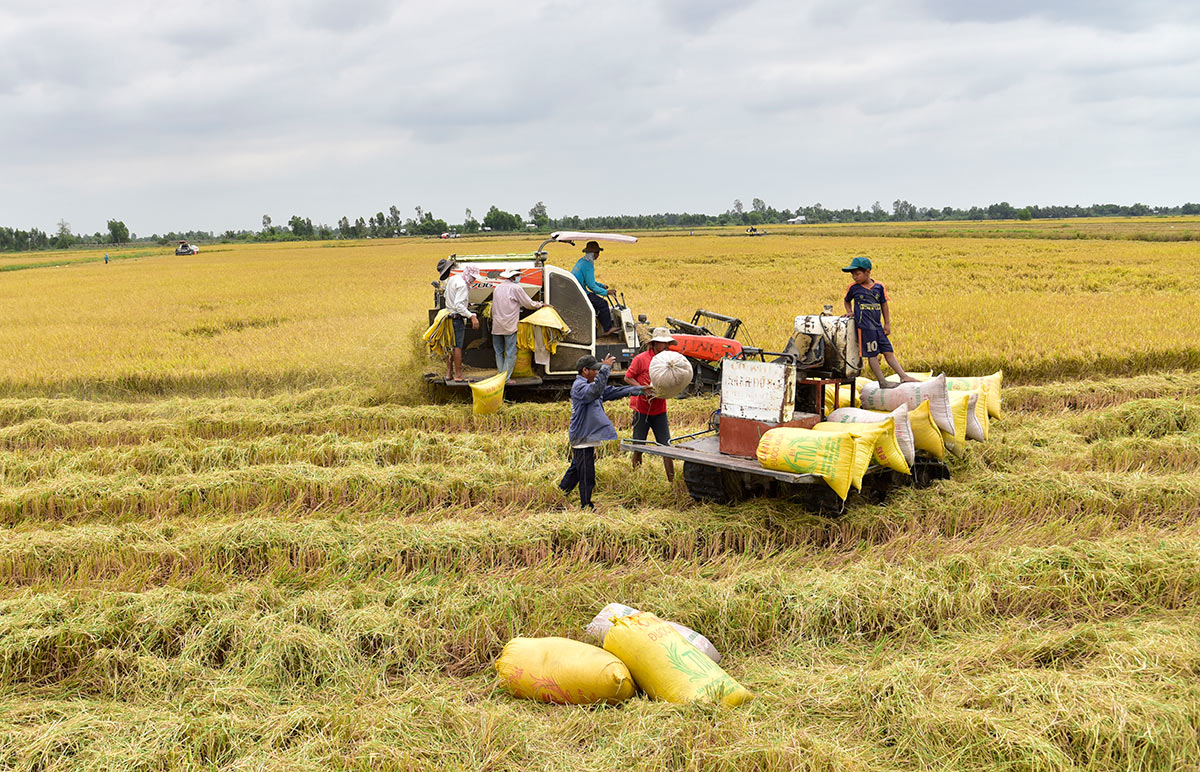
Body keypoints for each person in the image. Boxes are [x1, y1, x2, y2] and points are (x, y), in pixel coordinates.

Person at [559, 354, 651, 510]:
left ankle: (560, 494)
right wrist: (606, 368)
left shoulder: (591, 384)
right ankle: (586, 506)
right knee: (587, 473)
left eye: (598, 370)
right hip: (582, 436)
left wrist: (640, 390)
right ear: (585, 370)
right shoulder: (580, 387)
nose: (596, 372)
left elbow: (615, 391)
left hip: (586, 435)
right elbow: (595, 391)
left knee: (576, 468)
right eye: (594, 370)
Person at [841, 256, 919, 387]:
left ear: (867, 272)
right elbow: (846, 300)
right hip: (864, 327)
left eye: (857, 274)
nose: (854, 277)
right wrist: (850, 312)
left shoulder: (879, 287)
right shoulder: (853, 288)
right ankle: (882, 381)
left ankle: (903, 376)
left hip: (878, 326)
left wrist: (887, 323)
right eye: (852, 274)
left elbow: (884, 305)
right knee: (872, 354)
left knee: (888, 351)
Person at [624, 327, 676, 482]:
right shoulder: (641, 359)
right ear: (654, 344)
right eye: (663, 343)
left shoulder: (670, 360)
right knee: (638, 447)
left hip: (660, 410)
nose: (667, 347)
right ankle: (637, 481)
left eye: (668, 344)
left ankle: (672, 482)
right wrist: (642, 389)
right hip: (641, 409)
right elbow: (628, 378)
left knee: (666, 448)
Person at [491, 267, 543, 377]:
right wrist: (540, 304)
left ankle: (500, 375)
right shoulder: (515, 288)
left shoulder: (497, 288)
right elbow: (528, 304)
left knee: (499, 352)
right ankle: (506, 378)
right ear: (513, 276)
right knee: (510, 352)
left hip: (496, 325)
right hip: (509, 325)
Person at [438, 258, 480, 383]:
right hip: (457, 319)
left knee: (450, 345)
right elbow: (459, 305)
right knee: (457, 347)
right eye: (473, 277)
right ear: (468, 274)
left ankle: (449, 373)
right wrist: (471, 316)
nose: (474, 280)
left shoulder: (453, 279)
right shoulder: (462, 285)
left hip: (449, 317)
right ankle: (458, 375)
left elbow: (447, 296)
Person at [571, 240, 619, 336]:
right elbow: (592, 286)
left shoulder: (581, 261)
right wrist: (606, 292)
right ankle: (607, 329)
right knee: (603, 304)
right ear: (594, 253)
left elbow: (589, 281)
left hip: (576, 291)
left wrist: (601, 286)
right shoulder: (588, 265)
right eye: (598, 252)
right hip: (581, 293)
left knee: (597, 303)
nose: (598, 255)